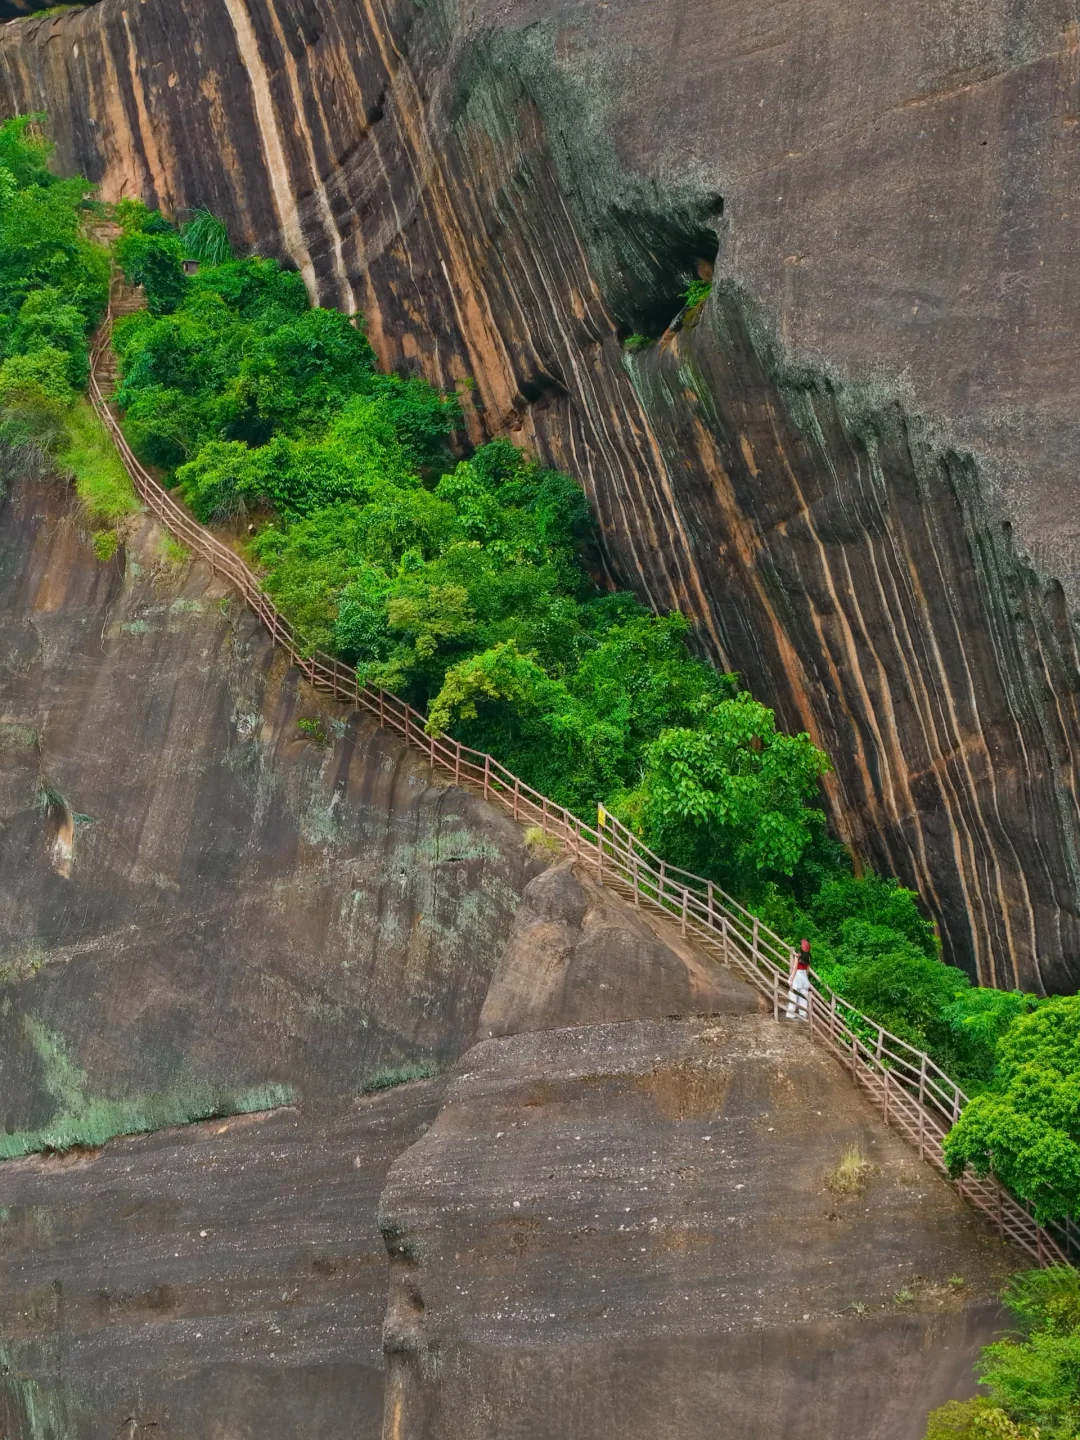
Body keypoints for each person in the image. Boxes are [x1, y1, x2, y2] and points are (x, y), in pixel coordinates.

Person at [785, 938, 811, 1020]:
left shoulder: (798, 956)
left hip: (797, 976)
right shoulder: (809, 957)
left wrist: (791, 979)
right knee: (803, 996)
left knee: (793, 995)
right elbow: (807, 970)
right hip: (804, 977)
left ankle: (790, 1014)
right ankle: (803, 1013)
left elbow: (794, 968)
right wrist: (806, 979)